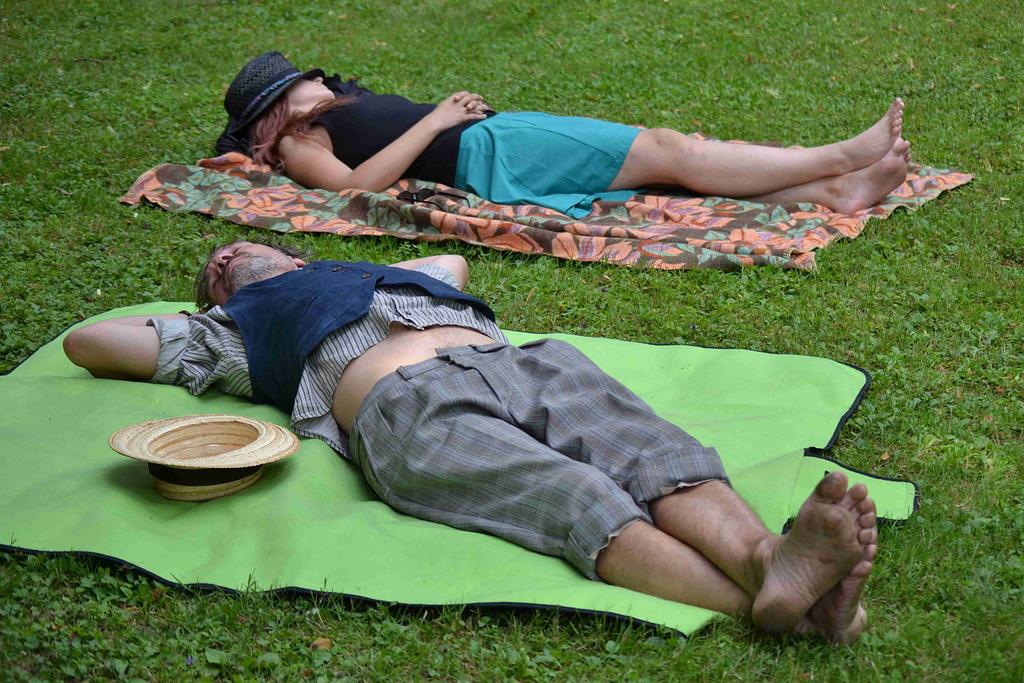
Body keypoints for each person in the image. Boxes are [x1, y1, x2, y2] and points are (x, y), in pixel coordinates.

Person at [64, 240, 879, 643]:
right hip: (402, 406)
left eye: (234, 247)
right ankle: (782, 603)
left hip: (518, 361)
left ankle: (770, 561)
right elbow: (89, 344)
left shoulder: (375, 272)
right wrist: (208, 311)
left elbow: (451, 262)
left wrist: (334, 268)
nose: (225, 255)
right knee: (571, 495)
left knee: (652, 453)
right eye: (215, 267)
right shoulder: (235, 334)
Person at [215, 51, 911, 219]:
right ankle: (840, 157)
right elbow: (353, 189)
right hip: (495, 151)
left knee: (664, 172)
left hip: (497, 139)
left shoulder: (333, 108)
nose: (319, 80)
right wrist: (437, 119)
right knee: (667, 148)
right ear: (278, 108)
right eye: (302, 81)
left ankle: (834, 192)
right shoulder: (300, 142)